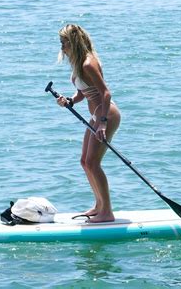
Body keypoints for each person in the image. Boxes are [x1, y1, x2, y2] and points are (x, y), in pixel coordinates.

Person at [56, 24, 121, 223]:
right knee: (85, 162)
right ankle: (99, 206)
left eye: (64, 42)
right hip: (96, 116)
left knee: (93, 163)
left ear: (73, 42)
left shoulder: (87, 64)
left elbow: (105, 93)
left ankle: (107, 212)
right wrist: (70, 101)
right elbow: (83, 93)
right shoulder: (78, 64)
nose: (61, 47)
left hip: (106, 115)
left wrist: (101, 124)